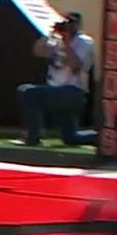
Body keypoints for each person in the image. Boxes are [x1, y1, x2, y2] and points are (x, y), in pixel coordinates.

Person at [16, 13, 96, 147]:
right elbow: (38, 51)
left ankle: (34, 136)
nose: (68, 26)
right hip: (55, 90)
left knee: (27, 92)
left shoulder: (84, 41)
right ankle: (104, 137)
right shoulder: (57, 40)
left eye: (71, 23)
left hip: (72, 92)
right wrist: (49, 33)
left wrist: (67, 42)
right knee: (71, 138)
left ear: (78, 25)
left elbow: (76, 66)